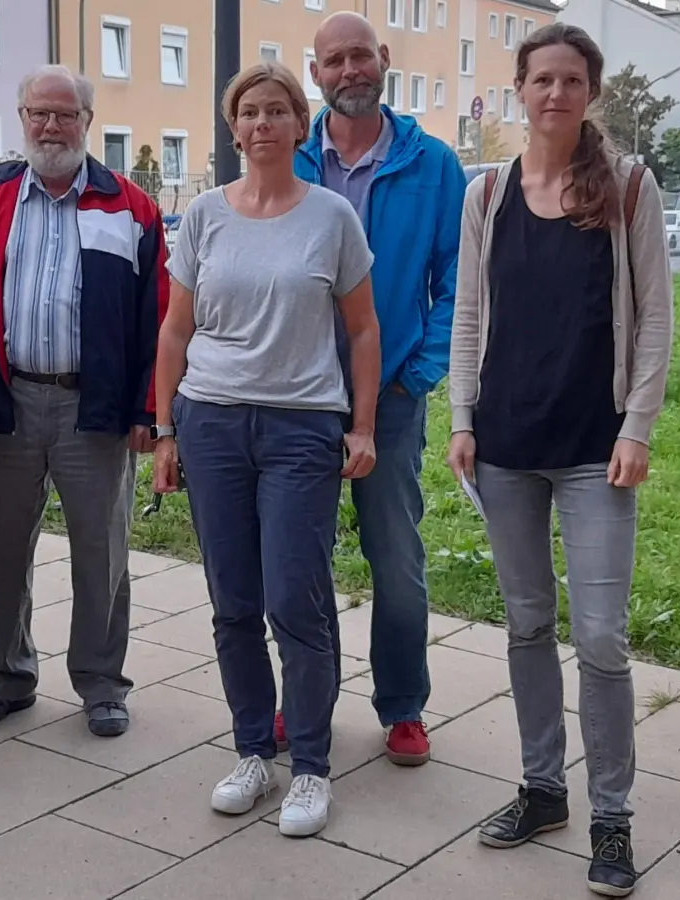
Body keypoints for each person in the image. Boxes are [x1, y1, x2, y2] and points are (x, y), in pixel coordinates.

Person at [445, 22, 673, 897]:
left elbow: (654, 317)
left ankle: (611, 814)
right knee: (528, 624)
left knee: (603, 639)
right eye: (541, 79)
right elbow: (468, 315)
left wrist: (637, 428)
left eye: (571, 80)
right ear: (520, 88)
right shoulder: (489, 193)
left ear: (591, 91)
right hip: (506, 447)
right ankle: (544, 789)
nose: (555, 94)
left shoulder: (627, 187)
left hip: (594, 450)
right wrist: (462, 417)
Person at [152, 62, 380, 838]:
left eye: (277, 110)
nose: (261, 124)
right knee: (234, 604)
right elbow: (176, 330)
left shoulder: (330, 217)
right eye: (248, 112)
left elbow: (361, 329)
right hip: (211, 423)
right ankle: (254, 751)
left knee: (297, 599)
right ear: (234, 125)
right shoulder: (205, 216)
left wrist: (363, 425)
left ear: (298, 123)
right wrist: (164, 430)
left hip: (300, 428)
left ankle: (310, 766)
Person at [0, 65, 167, 738]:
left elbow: (157, 317)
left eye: (64, 115)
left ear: (87, 123)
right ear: (21, 119)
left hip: (93, 408)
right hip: (7, 403)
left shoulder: (131, 208)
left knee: (101, 553)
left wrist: (147, 411)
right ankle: (7, 676)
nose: (50, 126)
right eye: (37, 114)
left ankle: (101, 683)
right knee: (0, 552)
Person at [289, 10, 465, 767]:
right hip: (295, 397)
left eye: (362, 55)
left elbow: (459, 284)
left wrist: (415, 376)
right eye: (335, 60)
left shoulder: (433, 165)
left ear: (383, 60)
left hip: (389, 401)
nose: (350, 70)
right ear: (317, 72)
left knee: (396, 560)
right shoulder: (289, 159)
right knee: (301, 559)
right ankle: (304, 703)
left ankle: (402, 707)